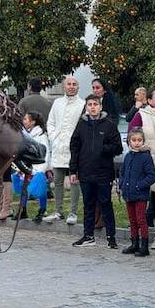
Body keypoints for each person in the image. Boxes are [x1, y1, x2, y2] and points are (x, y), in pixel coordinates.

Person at [69, 95, 123, 248]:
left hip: (103, 172)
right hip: (85, 171)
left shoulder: (109, 125)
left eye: (95, 104)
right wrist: (73, 170)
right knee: (88, 204)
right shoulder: (81, 125)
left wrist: (104, 148)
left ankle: (111, 237)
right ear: (86, 107)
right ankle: (88, 235)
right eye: (90, 104)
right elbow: (74, 147)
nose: (92, 107)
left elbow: (118, 147)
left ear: (100, 107)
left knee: (106, 203)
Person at [129, 87, 155, 241]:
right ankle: (138, 236)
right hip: (146, 167)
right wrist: (143, 149)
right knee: (140, 203)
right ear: (150, 101)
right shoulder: (142, 115)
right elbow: (132, 135)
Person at [46, 76, 86, 224]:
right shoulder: (57, 103)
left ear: (78, 87)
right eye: (68, 84)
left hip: (74, 149)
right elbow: (50, 122)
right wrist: (53, 137)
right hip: (58, 147)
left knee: (75, 181)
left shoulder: (82, 104)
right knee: (57, 182)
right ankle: (58, 211)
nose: (71, 86)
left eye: (74, 84)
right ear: (64, 86)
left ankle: (73, 212)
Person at [118, 129, 155, 256]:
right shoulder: (128, 156)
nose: (136, 143)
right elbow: (122, 172)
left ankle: (144, 246)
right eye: (134, 140)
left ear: (143, 141)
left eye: (139, 140)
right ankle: (134, 243)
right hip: (128, 194)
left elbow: (152, 176)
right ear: (129, 142)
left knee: (141, 220)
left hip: (140, 194)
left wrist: (139, 185)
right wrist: (122, 184)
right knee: (132, 220)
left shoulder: (145, 156)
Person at [11, 112, 51, 223]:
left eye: (25, 119)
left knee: (40, 189)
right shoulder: (27, 135)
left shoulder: (41, 136)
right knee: (24, 187)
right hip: (27, 166)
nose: (23, 121)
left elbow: (45, 152)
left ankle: (42, 210)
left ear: (33, 122)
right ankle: (22, 210)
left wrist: (41, 169)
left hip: (38, 167)